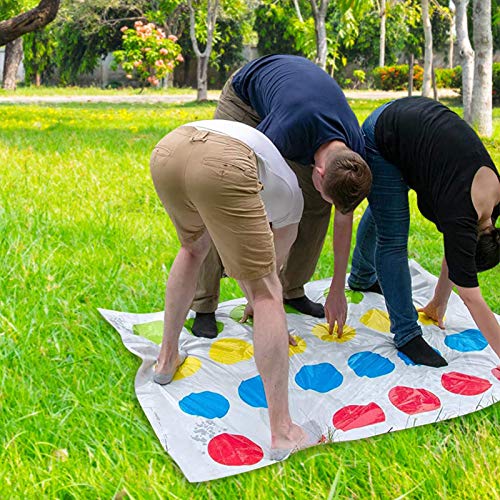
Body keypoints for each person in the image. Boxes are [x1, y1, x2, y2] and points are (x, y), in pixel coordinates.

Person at [150, 119, 323, 457]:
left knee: (192, 249)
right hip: (222, 161)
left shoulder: (272, 179)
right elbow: (271, 274)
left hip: (169, 150)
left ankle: (166, 360)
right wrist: (261, 306)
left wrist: (254, 294)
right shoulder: (291, 203)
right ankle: (284, 431)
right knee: (268, 292)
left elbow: (245, 260)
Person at [191, 54, 372, 339]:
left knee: (316, 206)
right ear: (321, 172)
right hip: (245, 100)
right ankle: (204, 303)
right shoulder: (283, 133)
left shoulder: (352, 155)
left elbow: (342, 215)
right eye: (325, 189)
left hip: (296, 105)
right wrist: (259, 298)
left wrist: (338, 287)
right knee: (225, 200)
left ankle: (291, 289)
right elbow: (250, 202)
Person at [348, 97, 500, 367]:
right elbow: (471, 298)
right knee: (393, 239)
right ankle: (406, 334)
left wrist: (438, 303)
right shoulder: (460, 214)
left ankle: (361, 276)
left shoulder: (492, 201)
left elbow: (456, 253)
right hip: (382, 135)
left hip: (413, 123)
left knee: (385, 206)